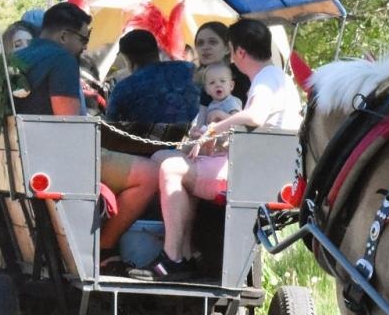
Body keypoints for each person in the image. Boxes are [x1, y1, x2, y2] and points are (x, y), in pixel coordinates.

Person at [133, 19, 302, 281]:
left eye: (232, 50)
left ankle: (173, 257)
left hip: (253, 176)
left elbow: (255, 116)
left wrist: (214, 129)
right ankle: (186, 253)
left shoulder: (266, 79)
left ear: (240, 52)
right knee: (171, 161)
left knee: (171, 168)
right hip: (264, 168)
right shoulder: (278, 77)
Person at [11, 3, 158, 269]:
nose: (84, 47)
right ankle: (104, 248)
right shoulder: (61, 59)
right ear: (64, 36)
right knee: (150, 173)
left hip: (28, 154)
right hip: (61, 157)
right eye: (83, 39)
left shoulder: (18, 57)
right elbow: (72, 124)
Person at [105, 29, 200, 129]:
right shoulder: (188, 69)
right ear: (157, 50)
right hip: (195, 140)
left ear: (128, 59)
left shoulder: (123, 88)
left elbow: (110, 127)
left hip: (144, 143)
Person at [192, 62, 243, 155]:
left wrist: (220, 114)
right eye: (212, 83)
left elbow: (238, 122)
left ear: (231, 85)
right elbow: (207, 125)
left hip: (229, 146)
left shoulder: (231, 102)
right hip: (214, 145)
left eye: (222, 81)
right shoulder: (211, 104)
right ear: (207, 89)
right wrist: (198, 131)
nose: (218, 85)